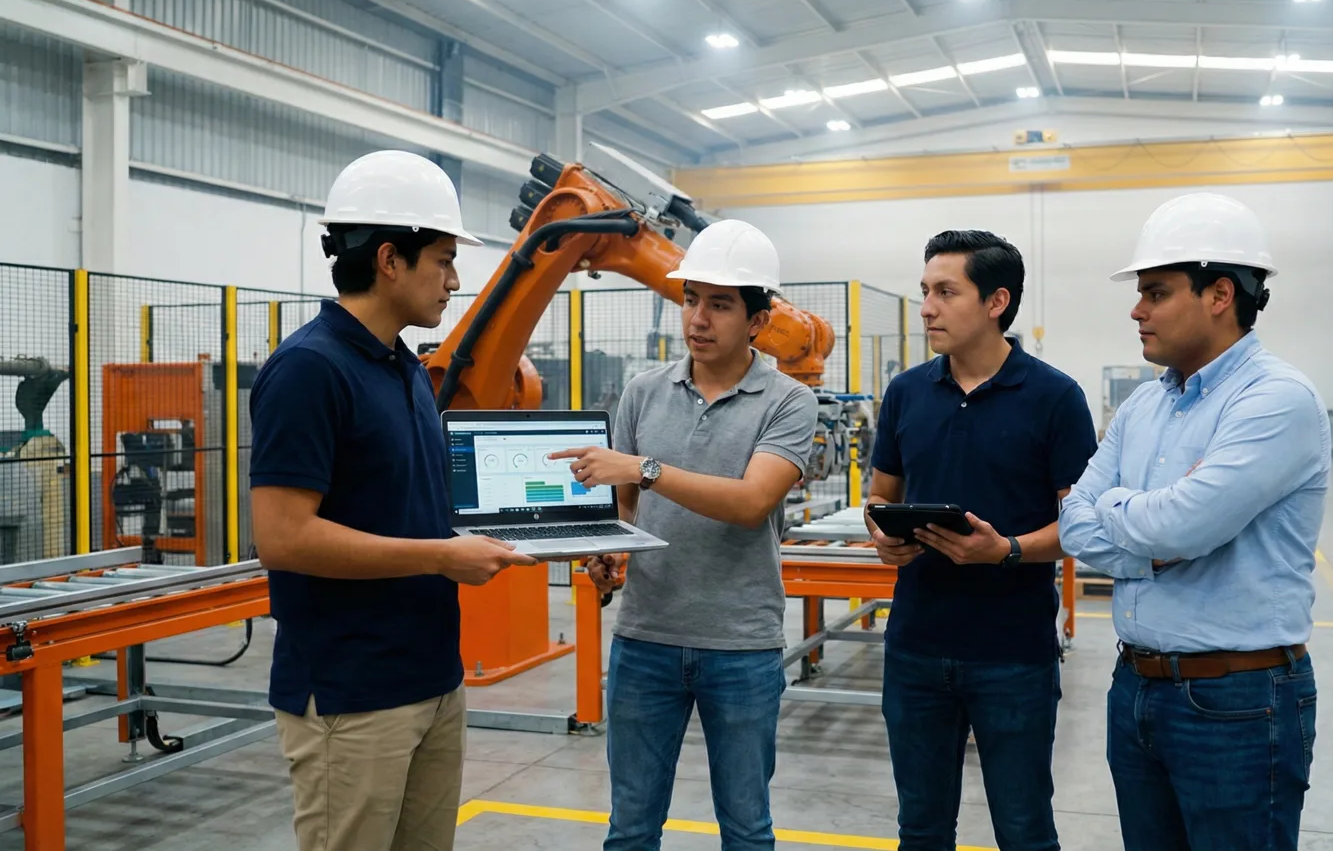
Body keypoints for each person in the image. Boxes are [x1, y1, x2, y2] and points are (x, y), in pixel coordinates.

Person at [250, 150, 538, 851]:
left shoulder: (404, 365)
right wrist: (442, 555)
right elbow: (284, 537)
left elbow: (405, 499)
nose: (455, 278)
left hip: (431, 676)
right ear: (389, 259)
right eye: (442, 258)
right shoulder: (309, 370)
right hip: (351, 694)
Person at [1057, 192, 1330, 851]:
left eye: (1155, 291)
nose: (1136, 309)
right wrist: (1157, 536)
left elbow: (1179, 525)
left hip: (1238, 703)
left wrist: (1132, 514)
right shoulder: (1143, 407)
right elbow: (1074, 526)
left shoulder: (1276, 400)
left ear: (1219, 294)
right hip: (1136, 691)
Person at [555, 219, 819, 851]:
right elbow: (627, 509)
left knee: (747, 829)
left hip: (741, 647)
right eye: (690, 299)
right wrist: (612, 551)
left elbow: (752, 502)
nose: (698, 319)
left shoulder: (787, 401)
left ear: (758, 321)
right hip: (645, 641)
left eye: (720, 305)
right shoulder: (644, 393)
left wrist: (645, 470)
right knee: (631, 828)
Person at [865, 230, 1098, 851]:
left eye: (946, 292)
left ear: (997, 302)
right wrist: (882, 533)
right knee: (920, 829)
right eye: (924, 292)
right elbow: (882, 491)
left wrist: (1007, 550)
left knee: (1023, 829)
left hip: (1012, 655)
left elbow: (1084, 524)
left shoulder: (1055, 398)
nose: (927, 308)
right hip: (915, 647)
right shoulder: (907, 392)